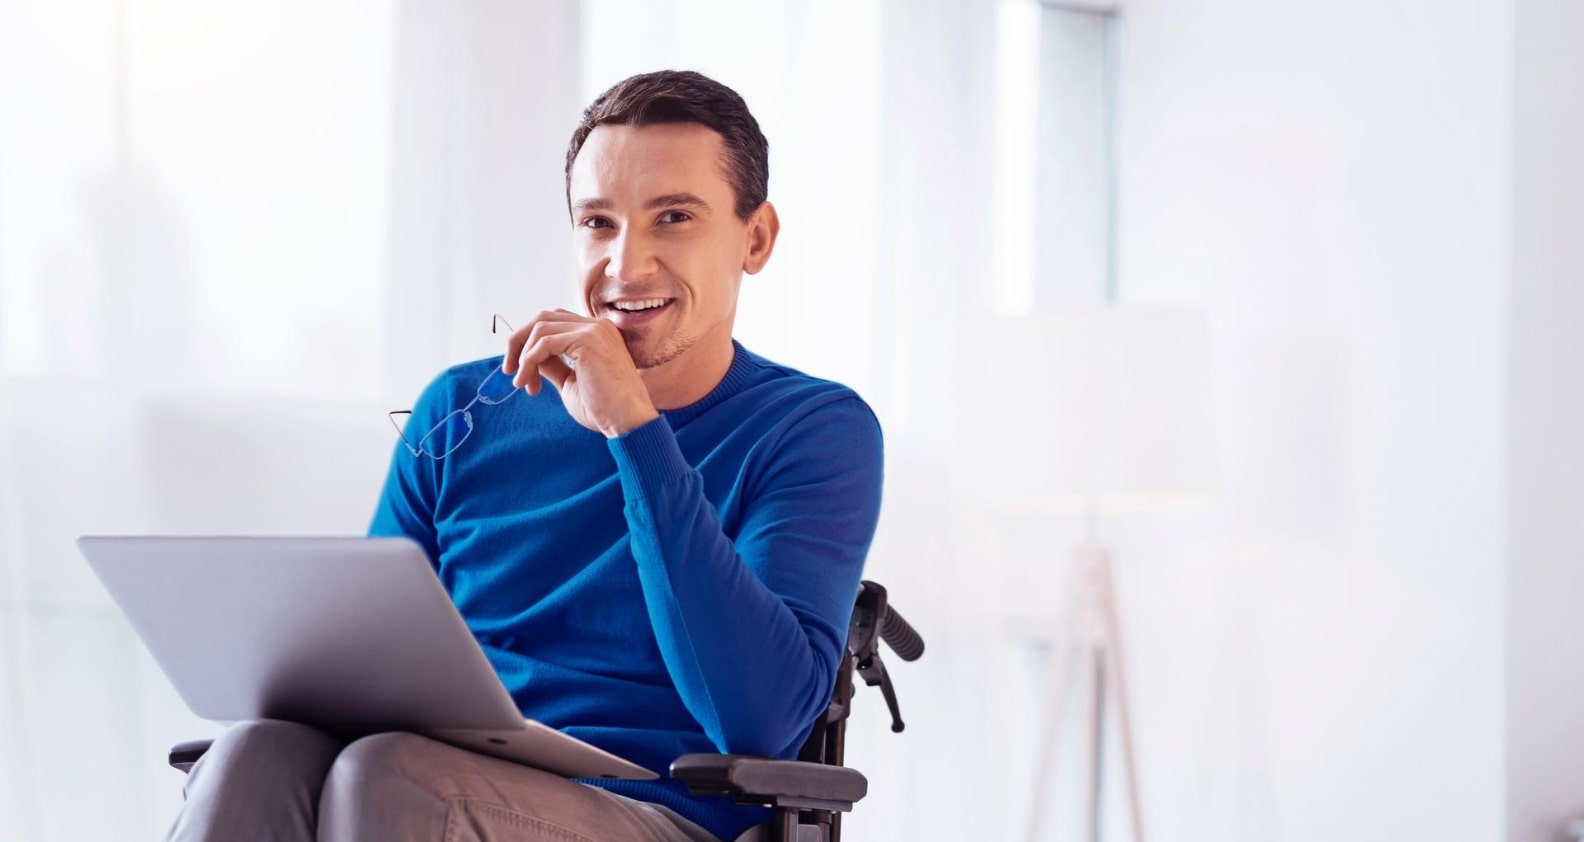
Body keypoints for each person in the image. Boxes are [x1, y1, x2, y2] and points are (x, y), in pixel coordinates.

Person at [168, 70, 884, 842]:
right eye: (599, 222)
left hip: (655, 813)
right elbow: (362, 664)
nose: (625, 265)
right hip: (436, 776)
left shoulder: (812, 430)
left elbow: (761, 718)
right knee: (255, 753)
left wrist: (635, 431)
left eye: (673, 217)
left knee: (391, 779)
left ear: (756, 238)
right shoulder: (462, 408)